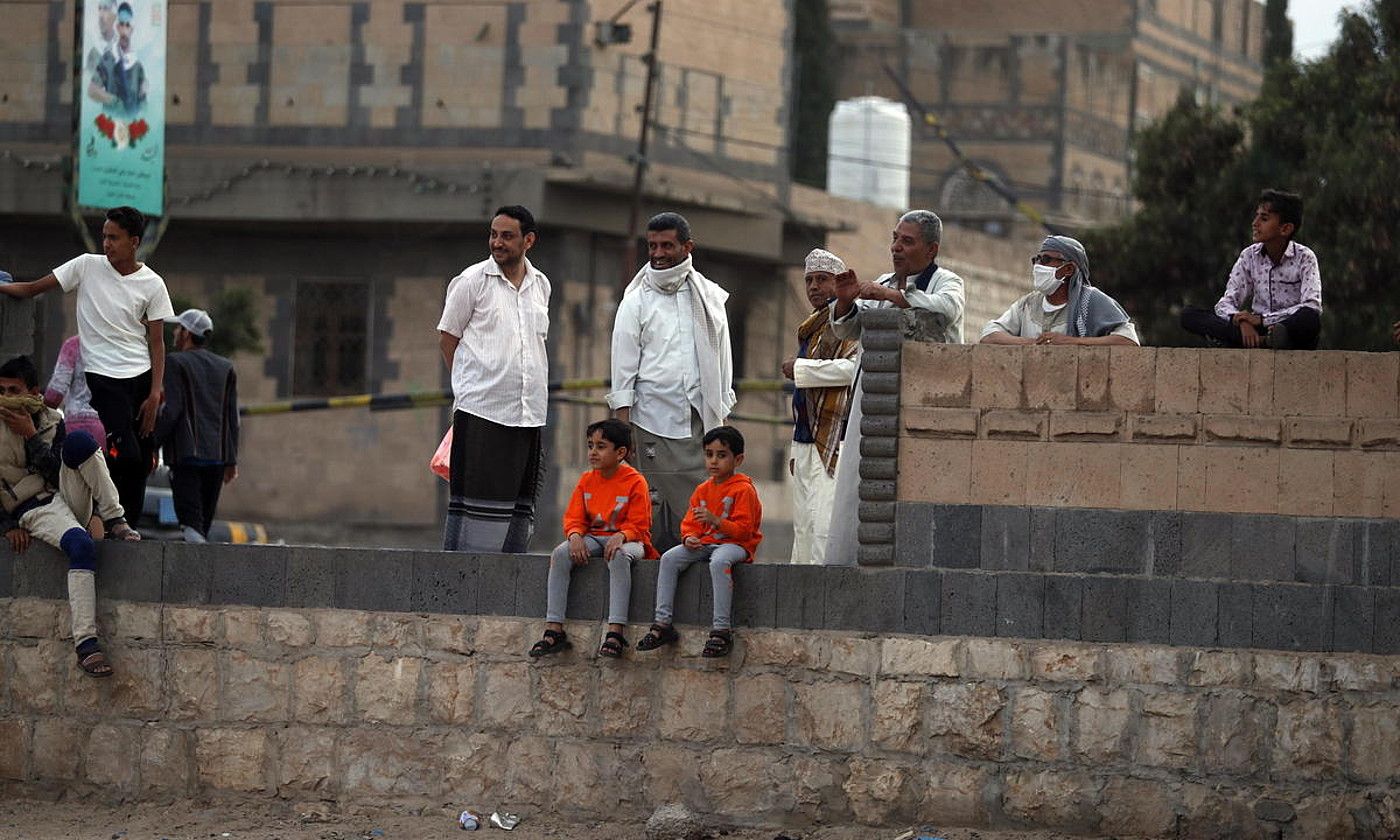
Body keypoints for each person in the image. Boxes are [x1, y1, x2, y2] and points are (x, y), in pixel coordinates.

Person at [0, 205, 173, 529]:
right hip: (104, 377)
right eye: (104, 236)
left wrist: (155, 392)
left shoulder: (153, 283)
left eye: (114, 238)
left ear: (134, 242)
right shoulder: (87, 266)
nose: (106, 244)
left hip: (141, 375)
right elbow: (32, 288)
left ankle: (128, 527)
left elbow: (157, 343)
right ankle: (111, 520)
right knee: (127, 453)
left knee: (143, 460)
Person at [824, 209, 965, 565]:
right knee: (862, 483)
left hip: (929, 398)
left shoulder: (947, 282)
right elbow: (848, 329)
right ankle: (847, 561)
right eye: (894, 239)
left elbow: (944, 310)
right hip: (874, 402)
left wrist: (893, 297)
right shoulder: (883, 280)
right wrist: (844, 301)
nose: (896, 248)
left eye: (907, 241)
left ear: (931, 250)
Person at [0, 355, 140, 679]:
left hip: (62, 493)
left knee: (80, 442)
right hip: (31, 506)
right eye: (2, 390)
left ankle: (115, 518)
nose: (7, 397)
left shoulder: (50, 420)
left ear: (34, 393)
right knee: (81, 546)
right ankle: (86, 645)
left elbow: (53, 469)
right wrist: (7, 526)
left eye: (14, 390)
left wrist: (30, 434)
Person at [608, 212, 735, 552]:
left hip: (700, 424)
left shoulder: (709, 298)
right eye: (652, 246)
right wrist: (623, 434)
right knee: (654, 515)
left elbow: (723, 361)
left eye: (667, 245)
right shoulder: (635, 301)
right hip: (650, 423)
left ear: (687, 247)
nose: (658, 253)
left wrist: (721, 422)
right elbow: (622, 371)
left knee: (701, 515)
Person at [437, 205, 550, 553]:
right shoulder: (472, 281)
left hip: (527, 414)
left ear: (528, 240)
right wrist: (472, 386)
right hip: (481, 411)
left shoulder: (541, 285)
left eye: (507, 236)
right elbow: (448, 338)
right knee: (476, 511)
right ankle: (461, 584)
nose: (497, 243)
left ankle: (505, 588)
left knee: (517, 507)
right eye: (493, 234)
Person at [529, 418, 657, 659]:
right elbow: (574, 517)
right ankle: (554, 629)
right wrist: (575, 535)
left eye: (601, 446)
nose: (593, 452)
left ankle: (615, 632)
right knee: (559, 553)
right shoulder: (586, 480)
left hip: (631, 541)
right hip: (595, 537)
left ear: (621, 452)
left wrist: (622, 535)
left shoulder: (635, 481)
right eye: (590, 446)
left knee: (618, 556)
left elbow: (640, 524)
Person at [635, 426, 762, 659]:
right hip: (705, 543)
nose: (714, 461)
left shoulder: (743, 490)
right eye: (709, 454)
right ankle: (662, 623)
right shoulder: (703, 489)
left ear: (738, 459)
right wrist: (689, 537)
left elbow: (745, 531)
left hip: (736, 545)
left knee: (719, 561)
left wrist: (717, 521)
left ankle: (721, 630)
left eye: (721, 455)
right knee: (670, 558)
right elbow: (690, 522)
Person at [783, 248, 859, 565]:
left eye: (822, 280)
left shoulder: (848, 322)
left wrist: (802, 370)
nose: (814, 287)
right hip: (803, 440)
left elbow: (853, 368)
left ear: (837, 283)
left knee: (824, 525)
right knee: (803, 527)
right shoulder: (811, 325)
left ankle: (822, 605)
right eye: (809, 280)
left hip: (832, 439)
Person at [1180, 189, 1322, 350]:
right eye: (1257, 216)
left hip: (1288, 328)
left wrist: (1263, 320)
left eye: (1264, 218)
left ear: (1285, 229)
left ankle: (1262, 340)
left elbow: (1312, 305)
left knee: (1310, 318)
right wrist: (1241, 320)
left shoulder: (1305, 257)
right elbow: (1225, 304)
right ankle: (1261, 341)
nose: (1255, 223)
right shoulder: (1249, 256)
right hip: (1254, 329)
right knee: (1189, 315)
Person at [153, 308, 239, 543]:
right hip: (217, 458)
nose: (174, 333)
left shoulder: (176, 362)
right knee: (203, 526)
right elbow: (232, 418)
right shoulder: (226, 367)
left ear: (187, 333)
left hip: (186, 456)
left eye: (178, 329)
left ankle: (196, 576)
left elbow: (172, 410)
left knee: (191, 525)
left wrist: (152, 444)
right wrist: (231, 460)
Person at [980, 236, 1139, 346]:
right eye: (1037, 259)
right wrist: (1034, 344)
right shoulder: (1028, 303)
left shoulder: (1090, 300)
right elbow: (989, 334)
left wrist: (1072, 342)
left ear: (1069, 268)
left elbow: (1128, 340)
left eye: (1046, 260)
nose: (1038, 265)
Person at [44, 336, 106, 444]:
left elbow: (55, 393)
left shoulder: (73, 345)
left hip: (75, 427)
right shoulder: (117, 344)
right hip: (108, 428)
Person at [90, 2, 148, 117]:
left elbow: (143, 103)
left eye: (127, 25)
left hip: (132, 127)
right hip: (109, 126)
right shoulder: (108, 59)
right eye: (121, 25)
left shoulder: (137, 66)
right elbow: (92, 90)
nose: (124, 30)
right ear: (117, 27)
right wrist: (114, 101)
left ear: (132, 30)